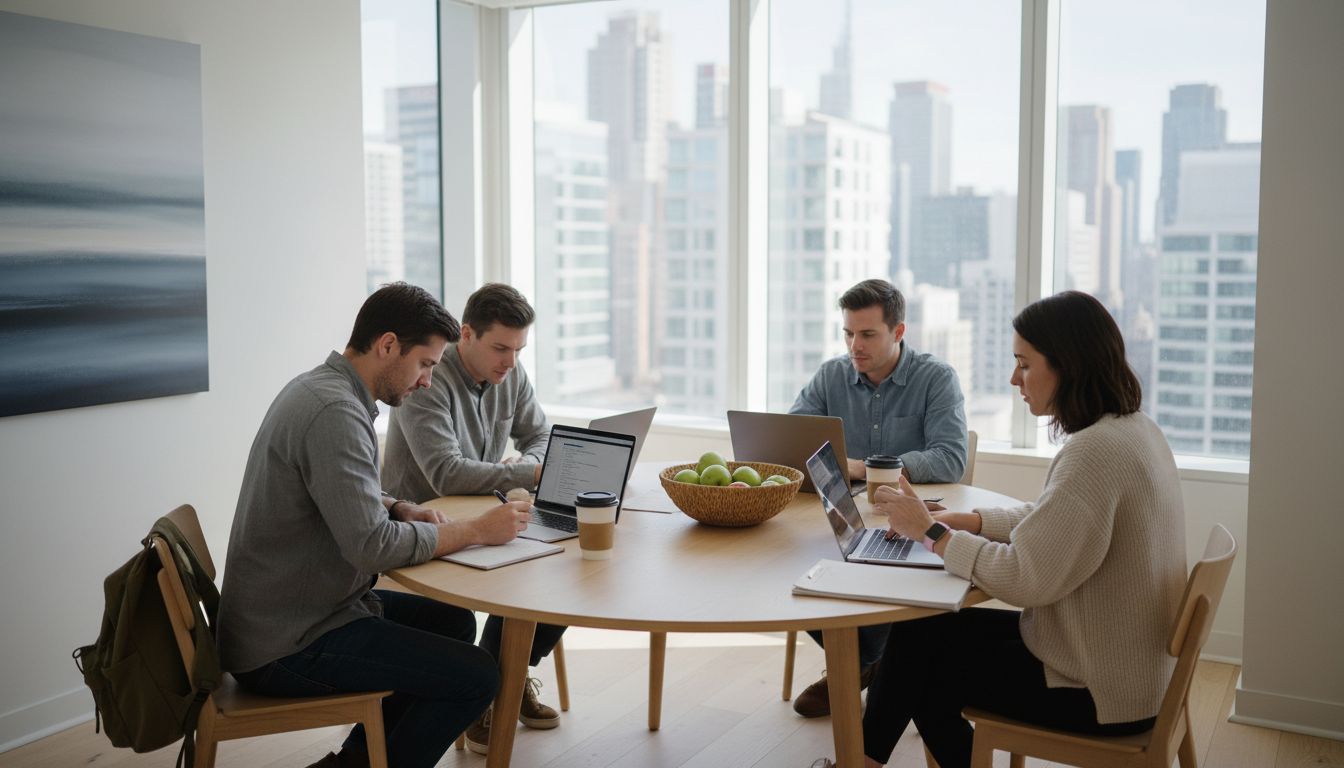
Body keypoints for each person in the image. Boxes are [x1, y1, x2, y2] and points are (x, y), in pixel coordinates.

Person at [811, 290, 1187, 768]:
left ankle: (860, 762)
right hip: (1120, 664)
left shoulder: (1093, 453)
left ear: (1068, 366)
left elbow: (1023, 579)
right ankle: (863, 761)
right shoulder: (1134, 429)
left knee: (922, 673)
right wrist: (967, 521)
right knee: (919, 633)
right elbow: (1054, 518)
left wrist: (932, 534)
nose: (1014, 379)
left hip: (1097, 688)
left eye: (1024, 365)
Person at [216, 283, 535, 768]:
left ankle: (359, 759)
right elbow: (374, 548)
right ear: (387, 345)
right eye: (425, 364)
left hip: (293, 613)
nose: (428, 380)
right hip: (289, 642)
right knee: (477, 677)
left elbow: (330, 490)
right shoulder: (336, 413)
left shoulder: (320, 388)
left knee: (453, 623)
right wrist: (475, 531)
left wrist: (396, 505)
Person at [381, 282, 565, 754]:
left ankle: (508, 683)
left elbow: (541, 435)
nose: (511, 362)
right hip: (424, 528)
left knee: (562, 565)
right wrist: (530, 471)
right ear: (466, 335)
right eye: (501, 348)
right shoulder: (425, 377)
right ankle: (488, 693)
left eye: (519, 350)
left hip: (483, 518)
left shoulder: (511, 374)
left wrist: (528, 463)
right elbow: (447, 472)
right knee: (472, 607)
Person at [788, 278, 969, 717]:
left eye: (868, 334)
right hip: (840, 519)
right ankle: (869, 663)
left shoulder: (935, 378)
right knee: (782, 564)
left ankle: (857, 667)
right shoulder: (831, 376)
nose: (855, 345)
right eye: (848, 333)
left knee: (890, 574)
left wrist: (866, 467)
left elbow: (950, 459)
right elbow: (794, 440)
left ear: (898, 331)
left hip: (906, 522)